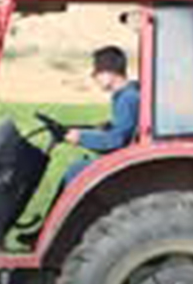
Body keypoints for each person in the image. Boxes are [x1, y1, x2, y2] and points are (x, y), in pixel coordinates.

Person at [59, 45, 139, 192]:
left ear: (109, 72)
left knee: (76, 171)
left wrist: (80, 137)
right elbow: (125, 128)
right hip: (128, 156)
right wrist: (109, 126)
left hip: (126, 161)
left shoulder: (127, 98)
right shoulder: (128, 93)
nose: (94, 76)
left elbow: (115, 141)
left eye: (97, 71)